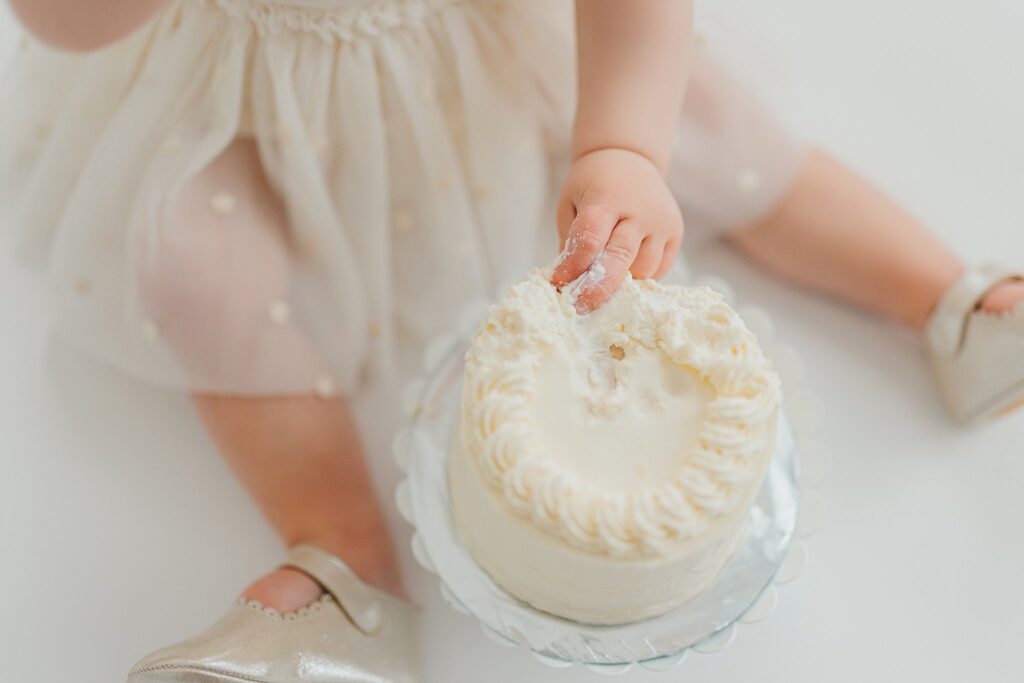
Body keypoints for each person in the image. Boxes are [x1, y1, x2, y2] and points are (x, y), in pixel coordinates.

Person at [3, 1, 1021, 681]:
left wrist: (623, 144)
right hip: (242, 106)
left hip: (490, 71)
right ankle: (346, 573)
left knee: (719, 138)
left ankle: (952, 306)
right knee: (195, 269)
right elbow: (61, 20)